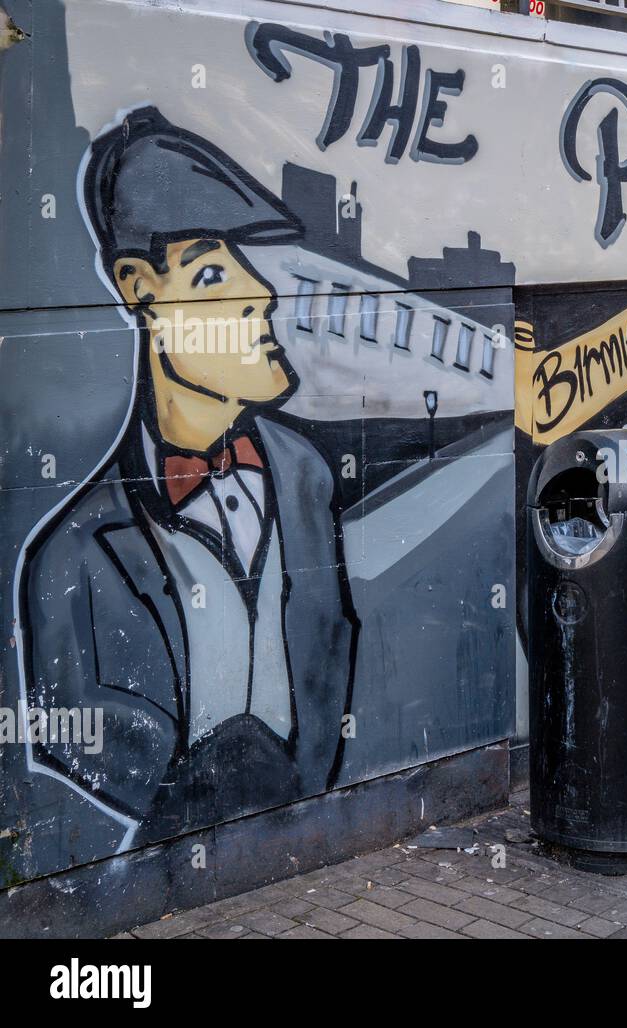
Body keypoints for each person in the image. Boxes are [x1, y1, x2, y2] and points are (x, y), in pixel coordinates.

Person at [19, 107, 357, 842]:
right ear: (140, 289)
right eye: (211, 272)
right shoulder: (71, 559)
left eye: (246, 265)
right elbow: (77, 736)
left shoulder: (304, 479)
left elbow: (331, 653)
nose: (259, 294)